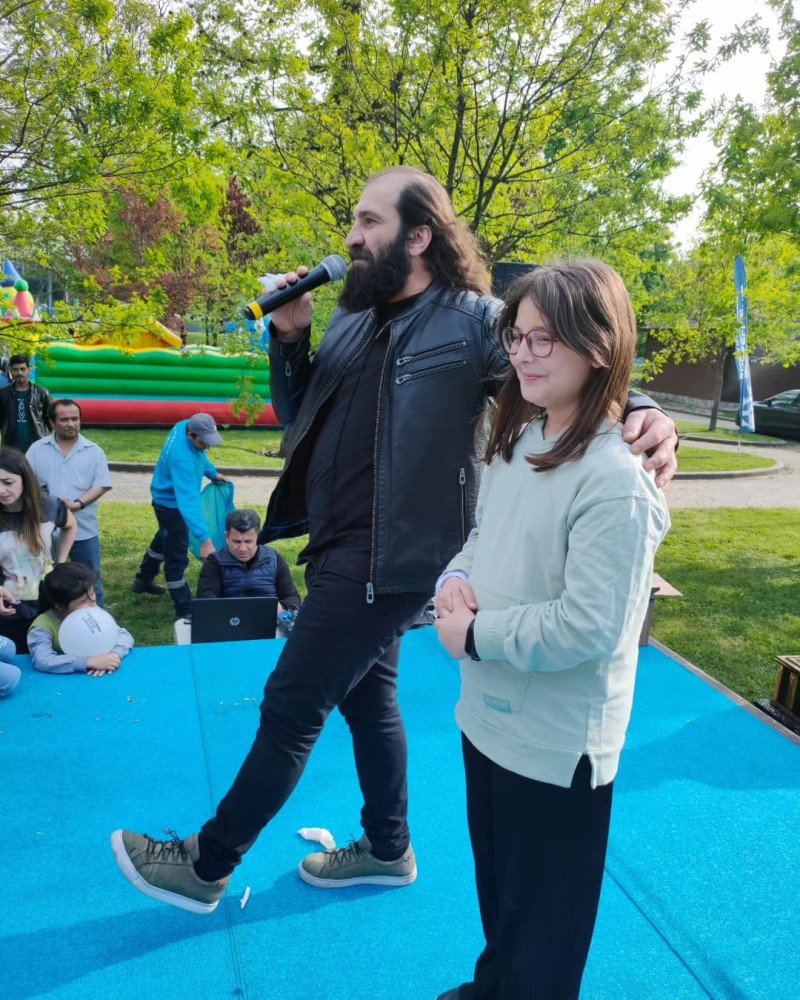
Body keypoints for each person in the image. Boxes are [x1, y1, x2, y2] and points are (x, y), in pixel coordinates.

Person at [111, 166, 678, 916]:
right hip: (339, 542)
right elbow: (296, 412)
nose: (351, 236)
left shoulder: (475, 320)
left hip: (398, 552)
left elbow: (558, 361)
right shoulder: (350, 318)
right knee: (368, 700)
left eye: (370, 221)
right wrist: (292, 337)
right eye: (353, 220)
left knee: (292, 702)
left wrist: (642, 407)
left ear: (419, 234)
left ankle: (207, 864)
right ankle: (387, 846)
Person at [432, 259, 670, 1000]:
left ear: (598, 346)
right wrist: (453, 581)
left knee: (546, 936)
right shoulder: (517, 438)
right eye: (519, 335)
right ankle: (491, 983)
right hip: (487, 718)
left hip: (556, 743)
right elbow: (482, 539)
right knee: (501, 895)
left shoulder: (615, 477)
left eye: (548, 339)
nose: (525, 353)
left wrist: (475, 635)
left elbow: (593, 625)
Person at [130, 413, 231, 623]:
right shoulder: (182, 459)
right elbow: (189, 502)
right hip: (171, 506)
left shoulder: (183, 425)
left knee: (164, 541)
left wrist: (211, 472)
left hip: (164, 501)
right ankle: (185, 609)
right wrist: (205, 540)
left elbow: (200, 456)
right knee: (176, 558)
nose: (208, 447)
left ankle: (142, 580)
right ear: (191, 434)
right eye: (204, 442)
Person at [26, 399, 112, 607]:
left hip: (84, 528)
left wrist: (78, 504)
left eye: (75, 419)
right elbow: (26, 484)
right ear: (52, 423)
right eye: (64, 419)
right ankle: (51, 620)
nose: (71, 423)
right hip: (44, 531)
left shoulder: (94, 451)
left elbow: (101, 485)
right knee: (44, 577)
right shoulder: (37, 450)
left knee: (91, 578)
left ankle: (97, 618)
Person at [0, 447, 77, 653]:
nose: (1, 490)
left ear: (25, 479)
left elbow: (70, 525)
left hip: (47, 600)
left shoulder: (49, 506)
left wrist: (59, 562)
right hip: (7, 608)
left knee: (49, 655)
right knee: (15, 659)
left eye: (8, 483)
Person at [28, 562, 133, 676]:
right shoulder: (43, 626)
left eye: (92, 594)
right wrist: (88, 662)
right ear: (60, 605)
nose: (92, 602)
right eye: (83, 601)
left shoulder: (93, 612)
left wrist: (114, 655)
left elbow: (124, 635)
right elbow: (43, 660)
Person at [196, 508, 301, 620]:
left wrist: (283, 607)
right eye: (237, 541)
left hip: (270, 621)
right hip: (229, 622)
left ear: (259, 537)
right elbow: (206, 598)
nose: (242, 548)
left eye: (248, 541)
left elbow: (292, 597)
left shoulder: (275, 559)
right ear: (226, 537)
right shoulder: (214, 562)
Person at [0, 353, 52, 451]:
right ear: (11, 371)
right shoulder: (3, 394)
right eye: (15, 369)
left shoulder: (42, 393)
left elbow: (50, 419)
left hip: (37, 445)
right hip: (10, 446)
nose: (19, 373)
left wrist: (42, 434)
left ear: (29, 370)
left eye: (22, 369)